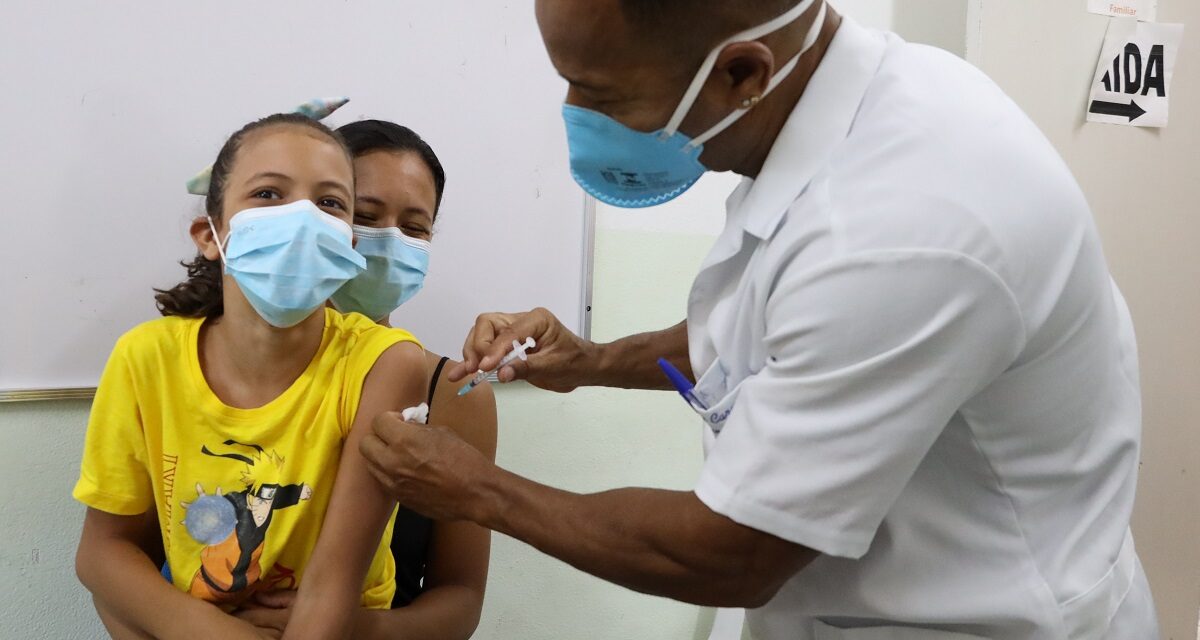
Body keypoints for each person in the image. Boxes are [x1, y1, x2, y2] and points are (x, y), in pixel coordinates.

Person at [357, 1, 1160, 638]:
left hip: (970, 620)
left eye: (600, 94)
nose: (575, 115)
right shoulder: (851, 106)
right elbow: (769, 333)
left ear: (741, 72)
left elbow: (732, 553)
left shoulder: (904, 229)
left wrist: (479, 491)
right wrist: (592, 359)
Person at [73, 113, 428, 639]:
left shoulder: (388, 364)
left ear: (349, 245)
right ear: (209, 235)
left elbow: (334, 585)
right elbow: (103, 552)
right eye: (268, 193)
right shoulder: (144, 358)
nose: (302, 217)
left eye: (330, 202)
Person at [234, 120, 497, 639]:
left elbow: (461, 598)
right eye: (366, 216)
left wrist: (347, 626)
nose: (388, 243)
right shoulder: (210, 369)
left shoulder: (455, 392)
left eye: (415, 227)